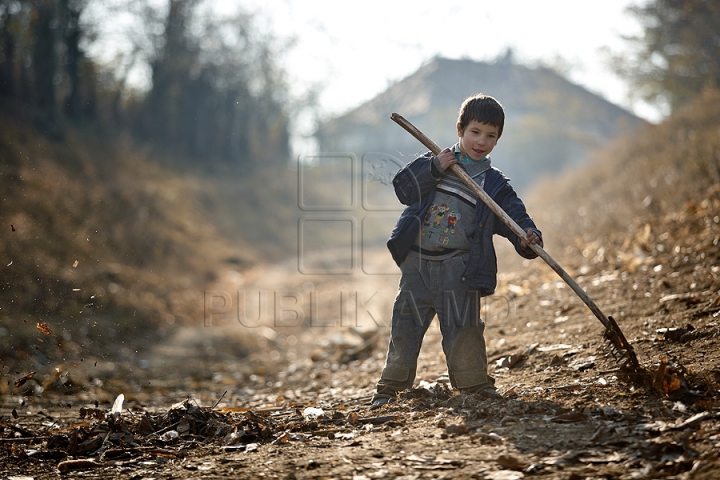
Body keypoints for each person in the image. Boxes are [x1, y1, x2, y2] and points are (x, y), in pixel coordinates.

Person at [371, 93, 543, 407]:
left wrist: (527, 236)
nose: (481, 141)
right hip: (418, 265)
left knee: (465, 330)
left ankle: (475, 386)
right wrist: (434, 168)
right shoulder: (435, 160)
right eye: (475, 132)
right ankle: (390, 390)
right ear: (460, 129)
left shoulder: (494, 185)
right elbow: (403, 189)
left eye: (491, 136)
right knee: (405, 326)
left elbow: (514, 218)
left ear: (498, 140)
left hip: (459, 270)